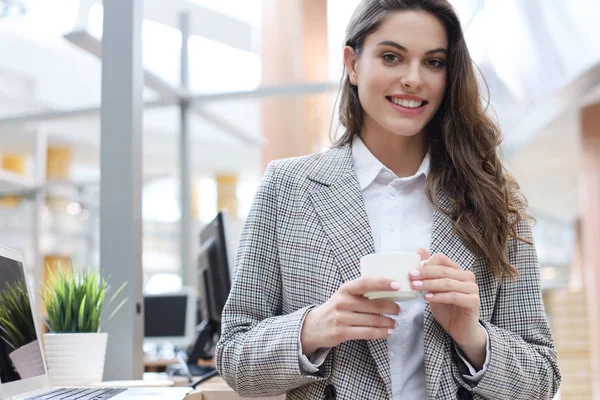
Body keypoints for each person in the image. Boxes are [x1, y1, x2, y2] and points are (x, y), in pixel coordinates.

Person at [215, 0, 561, 399]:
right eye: (392, 56)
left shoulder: (491, 199)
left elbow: (542, 379)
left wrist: (474, 337)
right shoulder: (287, 187)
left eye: (433, 62)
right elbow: (235, 358)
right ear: (353, 64)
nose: (413, 79)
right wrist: (315, 327)